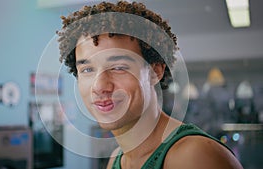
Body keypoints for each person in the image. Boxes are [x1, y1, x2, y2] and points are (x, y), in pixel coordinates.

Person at [57, 1, 244, 169]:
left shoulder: (194, 156)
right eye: (87, 70)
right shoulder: (116, 160)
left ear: (155, 72)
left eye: (118, 67)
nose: (99, 86)